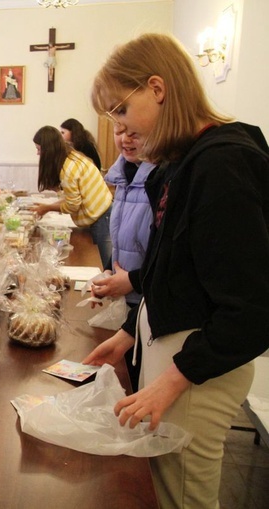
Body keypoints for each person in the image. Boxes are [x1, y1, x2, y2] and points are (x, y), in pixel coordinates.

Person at [83, 33, 269, 509]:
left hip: (197, 370)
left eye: (121, 110)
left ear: (157, 89)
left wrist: (173, 378)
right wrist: (130, 331)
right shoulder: (181, 163)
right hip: (176, 357)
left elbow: (251, 311)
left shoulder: (222, 164)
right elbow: (172, 269)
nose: (119, 128)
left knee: (182, 496)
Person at [93, 129, 157, 391]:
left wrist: (132, 281)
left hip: (150, 304)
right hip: (129, 305)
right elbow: (121, 239)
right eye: (119, 132)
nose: (124, 139)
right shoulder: (123, 176)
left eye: (134, 132)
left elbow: (165, 256)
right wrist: (108, 271)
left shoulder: (161, 178)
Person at [32, 125, 113, 268]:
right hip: (102, 213)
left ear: (48, 149)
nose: (38, 154)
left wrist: (47, 208)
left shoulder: (67, 170)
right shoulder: (71, 157)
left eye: (39, 149)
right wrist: (48, 207)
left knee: (105, 265)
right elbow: (73, 197)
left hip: (102, 216)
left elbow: (73, 205)